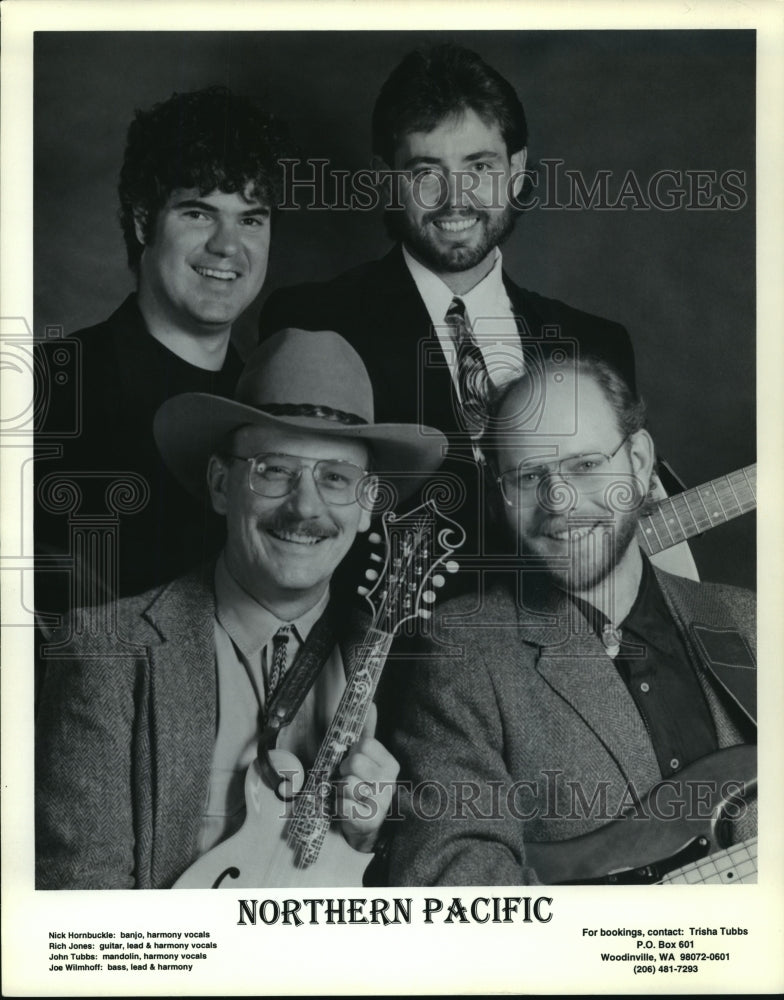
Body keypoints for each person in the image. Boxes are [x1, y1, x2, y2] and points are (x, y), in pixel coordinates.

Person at [35, 328, 448, 889]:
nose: (306, 508)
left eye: (335, 478)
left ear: (369, 504)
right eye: (275, 470)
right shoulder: (107, 655)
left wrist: (365, 838)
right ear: (222, 484)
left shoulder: (405, 673)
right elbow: (84, 914)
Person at [259, 43, 640, 567]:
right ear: (382, 178)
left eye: (479, 166)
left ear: (517, 169)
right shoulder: (315, 323)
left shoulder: (598, 344)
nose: (454, 198)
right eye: (424, 172)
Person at [384, 355, 756, 886]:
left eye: (585, 465)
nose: (559, 501)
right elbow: (451, 884)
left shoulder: (752, 622)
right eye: (530, 475)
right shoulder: (463, 649)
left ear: (640, 461)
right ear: (499, 494)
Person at [35, 85, 291, 610]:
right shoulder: (46, 391)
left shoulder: (276, 409)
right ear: (141, 219)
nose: (227, 246)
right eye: (198, 213)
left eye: (250, 219)